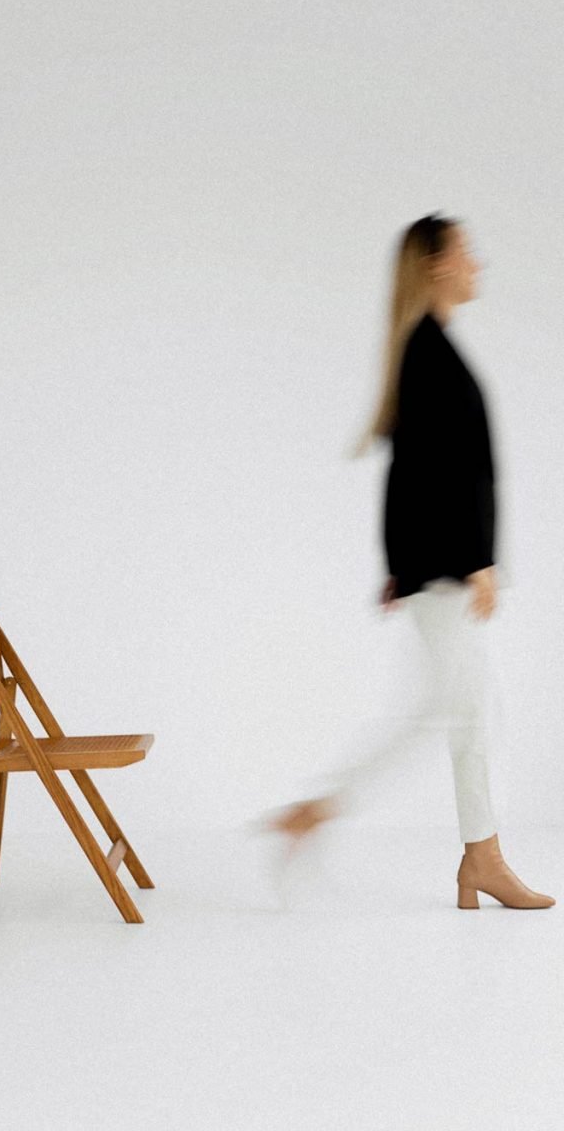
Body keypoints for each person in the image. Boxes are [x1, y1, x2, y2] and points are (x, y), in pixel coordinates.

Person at [257, 213, 555, 910]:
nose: (478, 263)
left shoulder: (428, 348)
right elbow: (435, 474)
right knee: (459, 713)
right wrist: (474, 560)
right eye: (466, 252)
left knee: (456, 711)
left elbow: (413, 471)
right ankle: (468, 856)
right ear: (436, 264)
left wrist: (402, 563)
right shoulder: (428, 353)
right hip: (446, 568)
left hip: (436, 565)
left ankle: (466, 855)